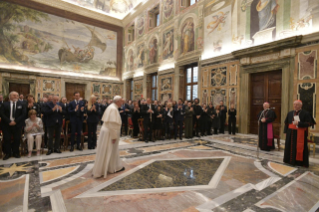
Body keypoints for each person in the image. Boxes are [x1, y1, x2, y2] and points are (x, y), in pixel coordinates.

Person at [92, 96, 125, 178]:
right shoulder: (113, 109)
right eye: (121, 101)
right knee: (109, 150)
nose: (122, 103)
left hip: (108, 132)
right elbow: (111, 124)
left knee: (110, 151)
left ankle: (112, 167)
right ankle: (108, 168)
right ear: (117, 101)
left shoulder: (112, 107)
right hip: (109, 133)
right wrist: (114, 136)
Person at [283, 100, 315, 167]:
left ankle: (299, 162)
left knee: (299, 147)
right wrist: (285, 131)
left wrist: (299, 123)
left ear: (301, 105)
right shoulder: (290, 113)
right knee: (289, 146)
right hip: (290, 133)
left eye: (297, 104)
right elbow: (286, 124)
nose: (295, 106)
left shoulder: (306, 113)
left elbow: (310, 123)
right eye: (294, 104)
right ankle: (288, 160)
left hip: (300, 134)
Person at [1, 91, 26, 160]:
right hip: (6, 124)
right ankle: (8, 153)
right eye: (14, 95)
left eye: (17, 95)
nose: (15, 97)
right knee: (7, 139)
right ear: (10, 96)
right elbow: (2, 114)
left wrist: (15, 121)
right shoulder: (5, 104)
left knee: (17, 139)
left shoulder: (22, 104)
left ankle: (16, 153)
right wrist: (9, 121)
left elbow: (23, 114)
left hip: (17, 125)